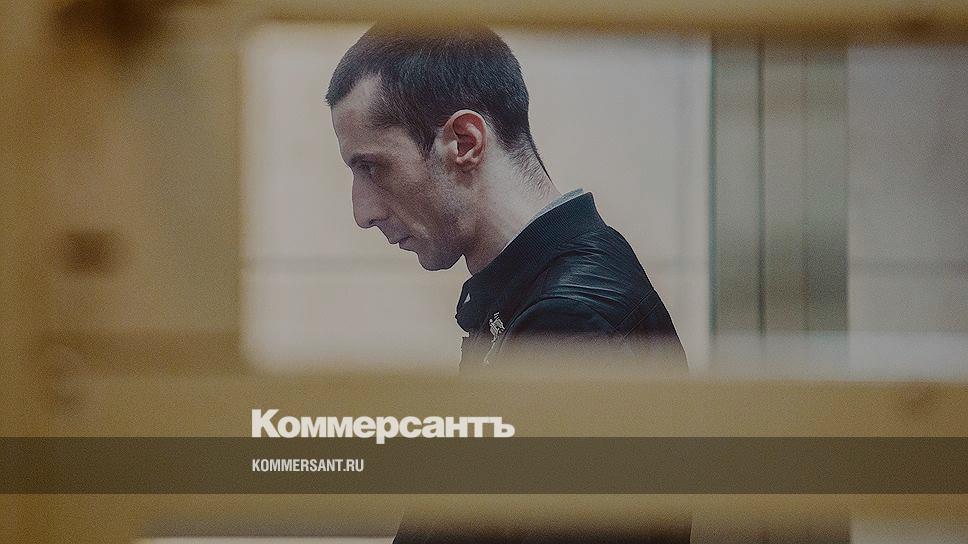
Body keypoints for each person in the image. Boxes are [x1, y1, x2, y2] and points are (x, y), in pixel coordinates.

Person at [326, 23, 686, 372]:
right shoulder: (549, 287)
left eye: (372, 167)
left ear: (464, 143)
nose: (363, 213)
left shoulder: (565, 321)